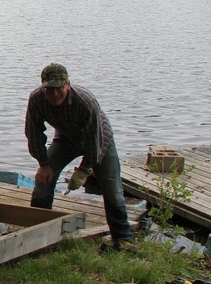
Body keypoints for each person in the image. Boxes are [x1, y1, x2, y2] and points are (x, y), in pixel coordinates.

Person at [25, 62, 133, 250]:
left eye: (59, 88)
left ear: (68, 85)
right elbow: (33, 133)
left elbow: (94, 142)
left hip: (99, 140)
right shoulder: (36, 100)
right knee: (43, 182)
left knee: (112, 188)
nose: (54, 93)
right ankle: (37, 232)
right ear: (43, 88)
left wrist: (83, 170)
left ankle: (122, 238)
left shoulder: (85, 101)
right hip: (65, 138)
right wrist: (43, 163)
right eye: (49, 89)